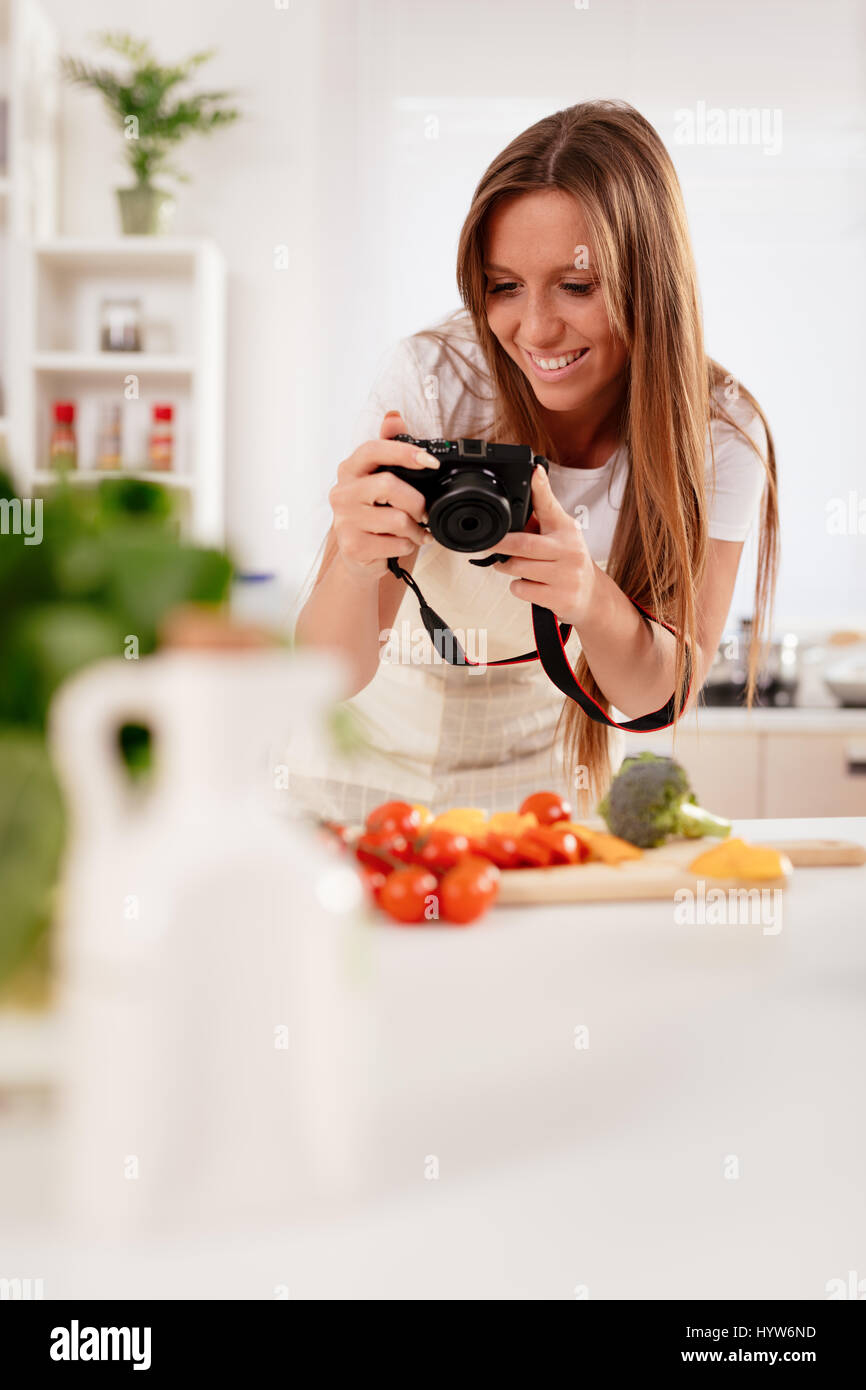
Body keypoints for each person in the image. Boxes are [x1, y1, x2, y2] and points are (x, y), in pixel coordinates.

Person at [287, 100, 778, 826]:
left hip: (539, 781)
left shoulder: (717, 433)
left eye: (577, 286)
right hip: (358, 764)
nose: (536, 329)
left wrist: (590, 598)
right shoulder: (437, 379)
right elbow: (324, 675)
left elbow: (657, 695)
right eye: (504, 286)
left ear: (651, 277)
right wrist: (358, 564)